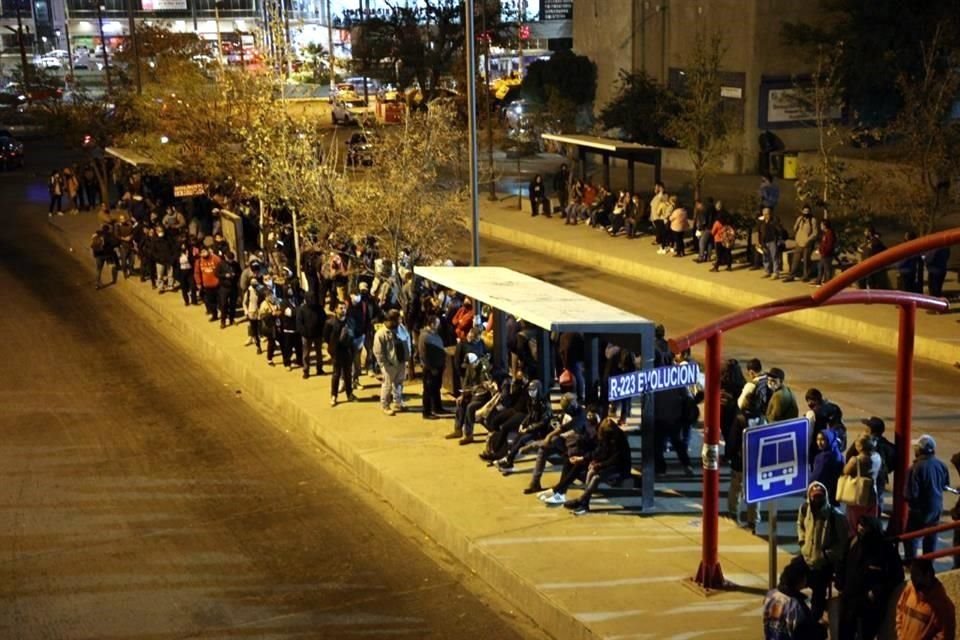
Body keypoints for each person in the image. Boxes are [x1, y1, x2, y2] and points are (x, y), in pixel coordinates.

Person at [836, 516, 904, 640]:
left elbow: (897, 576)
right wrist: (840, 584)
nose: (861, 531)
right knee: (845, 633)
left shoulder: (886, 549)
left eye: (864, 528)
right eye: (859, 527)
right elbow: (841, 563)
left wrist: (877, 592)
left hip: (870, 607)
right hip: (849, 601)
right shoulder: (853, 542)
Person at [797, 481, 848, 622]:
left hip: (823, 563)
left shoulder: (836, 516)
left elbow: (842, 542)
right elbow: (800, 525)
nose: (817, 499)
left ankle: (813, 622)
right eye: (814, 496)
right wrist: (802, 543)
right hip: (806, 557)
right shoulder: (804, 509)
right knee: (789, 579)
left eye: (820, 496)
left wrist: (827, 555)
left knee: (818, 596)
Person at [561, 418, 632, 515]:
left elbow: (615, 459)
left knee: (596, 477)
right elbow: (600, 451)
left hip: (620, 468)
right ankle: (584, 502)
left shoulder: (619, 438)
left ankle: (582, 501)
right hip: (609, 464)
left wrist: (599, 465)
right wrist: (588, 460)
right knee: (590, 471)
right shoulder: (606, 436)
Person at [904, 434, 951, 561]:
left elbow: (910, 494)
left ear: (919, 450)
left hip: (919, 509)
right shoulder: (941, 465)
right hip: (936, 507)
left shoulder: (915, 468)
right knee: (931, 536)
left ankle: (911, 563)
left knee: (911, 537)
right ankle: (928, 562)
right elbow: (945, 485)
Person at [762, 556, 826, 640]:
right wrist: (823, 627)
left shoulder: (770, 595)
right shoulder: (796, 607)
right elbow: (807, 635)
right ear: (801, 580)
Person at [896, 558, 956, 640]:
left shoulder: (943, 606)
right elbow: (900, 609)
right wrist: (900, 635)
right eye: (912, 577)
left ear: (928, 575)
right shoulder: (910, 588)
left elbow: (945, 636)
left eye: (917, 577)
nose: (915, 583)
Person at [840, 434, 882, 532]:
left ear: (860, 446)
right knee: (870, 520)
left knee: (854, 522)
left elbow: (845, 471)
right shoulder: (877, 457)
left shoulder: (856, 460)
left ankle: (855, 542)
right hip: (872, 493)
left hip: (858, 494)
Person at [373, 309, 406, 415]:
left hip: (401, 361)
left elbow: (407, 339)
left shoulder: (400, 328)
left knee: (399, 383)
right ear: (390, 321)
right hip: (389, 365)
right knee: (387, 385)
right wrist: (385, 365)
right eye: (397, 320)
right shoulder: (380, 334)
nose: (399, 322)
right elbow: (378, 352)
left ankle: (398, 402)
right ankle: (385, 405)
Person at [324, 301, 357, 406]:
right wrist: (332, 348)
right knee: (336, 374)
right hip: (337, 352)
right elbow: (326, 337)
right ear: (336, 310)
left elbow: (354, 334)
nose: (343, 310)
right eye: (341, 308)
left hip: (348, 351)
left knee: (348, 374)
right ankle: (334, 396)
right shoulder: (330, 323)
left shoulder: (350, 321)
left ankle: (349, 393)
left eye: (344, 308)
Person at [418, 313, 446, 419]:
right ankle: (427, 412)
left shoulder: (435, 334)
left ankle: (437, 408)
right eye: (437, 323)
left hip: (438, 366)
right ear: (432, 324)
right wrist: (431, 367)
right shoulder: (425, 336)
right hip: (430, 369)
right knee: (428, 390)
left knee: (436, 388)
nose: (439, 325)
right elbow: (424, 355)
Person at [804, 388, 844, 462]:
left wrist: (806, 449)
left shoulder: (812, 414)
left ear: (814, 400)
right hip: (835, 444)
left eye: (809, 401)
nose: (808, 404)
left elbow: (809, 434)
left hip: (819, 447)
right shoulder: (835, 408)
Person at [784, 205, 820, 283]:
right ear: (802, 211)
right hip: (799, 243)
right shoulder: (800, 219)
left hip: (807, 244)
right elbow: (795, 228)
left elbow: (815, 232)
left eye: (807, 211)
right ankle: (791, 275)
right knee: (795, 260)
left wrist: (808, 240)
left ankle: (805, 276)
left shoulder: (813, 220)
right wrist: (797, 223)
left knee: (806, 260)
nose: (806, 213)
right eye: (804, 211)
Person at [810, 429, 845, 502]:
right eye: (817, 439)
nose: (819, 442)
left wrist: (809, 488)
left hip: (822, 493)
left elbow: (816, 476)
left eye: (823, 439)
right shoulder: (837, 453)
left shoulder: (824, 457)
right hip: (835, 493)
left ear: (829, 440)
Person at [296, 297, 326, 379]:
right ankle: (306, 371)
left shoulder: (319, 308)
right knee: (306, 354)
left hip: (318, 335)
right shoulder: (302, 309)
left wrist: (321, 332)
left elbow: (323, 320)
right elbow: (299, 323)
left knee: (318, 353)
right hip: (307, 336)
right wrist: (304, 333)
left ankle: (319, 369)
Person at [193, 248, 222, 321]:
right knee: (211, 302)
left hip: (217, 284)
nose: (203, 253)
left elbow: (222, 268)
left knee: (221, 301)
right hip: (207, 285)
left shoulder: (215, 259)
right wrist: (198, 283)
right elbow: (197, 273)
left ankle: (223, 314)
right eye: (201, 252)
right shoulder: (199, 261)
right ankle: (214, 315)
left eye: (204, 251)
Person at [215, 250, 240, 328]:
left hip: (233, 287)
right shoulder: (221, 264)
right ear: (225, 257)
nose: (231, 260)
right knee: (224, 305)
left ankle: (231, 320)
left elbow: (240, 272)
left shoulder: (235, 264)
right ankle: (223, 321)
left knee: (233, 305)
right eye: (229, 259)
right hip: (224, 288)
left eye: (232, 259)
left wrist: (235, 275)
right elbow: (216, 274)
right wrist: (225, 275)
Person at [90, 224, 118, 290]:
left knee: (98, 270)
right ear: (108, 229)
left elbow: (92, 241)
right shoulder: (109, 235)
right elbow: (115, 243)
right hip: (107, 255)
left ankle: (97, 284)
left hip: (98, 255)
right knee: (113, 266)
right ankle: (114, 280)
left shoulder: (97, 233)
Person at [758, 207, 783, 279]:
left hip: (772, 241)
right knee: (765, 257)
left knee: (774, 257)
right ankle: (767, 271)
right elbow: (760, 232)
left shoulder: (774, 221)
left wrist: (779, 240)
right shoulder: (761, 222)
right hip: (764, 242)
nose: (766, 215)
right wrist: (760, 242)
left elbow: (779, 231)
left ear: (770, 214)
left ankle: (776, 273)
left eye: (767, 214)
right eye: (764, 214)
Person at [815, 219, 836, 286]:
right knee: (820, 267)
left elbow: (829, 245)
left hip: (827, 254)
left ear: (825, 226)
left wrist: (824, 252)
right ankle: (818, 281)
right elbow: (823, 243)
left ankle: (828, 284)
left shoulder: (830, 233)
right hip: (823, 254)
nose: (820, 226)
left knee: (827, 269)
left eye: (821, 225)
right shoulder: (826, 233)